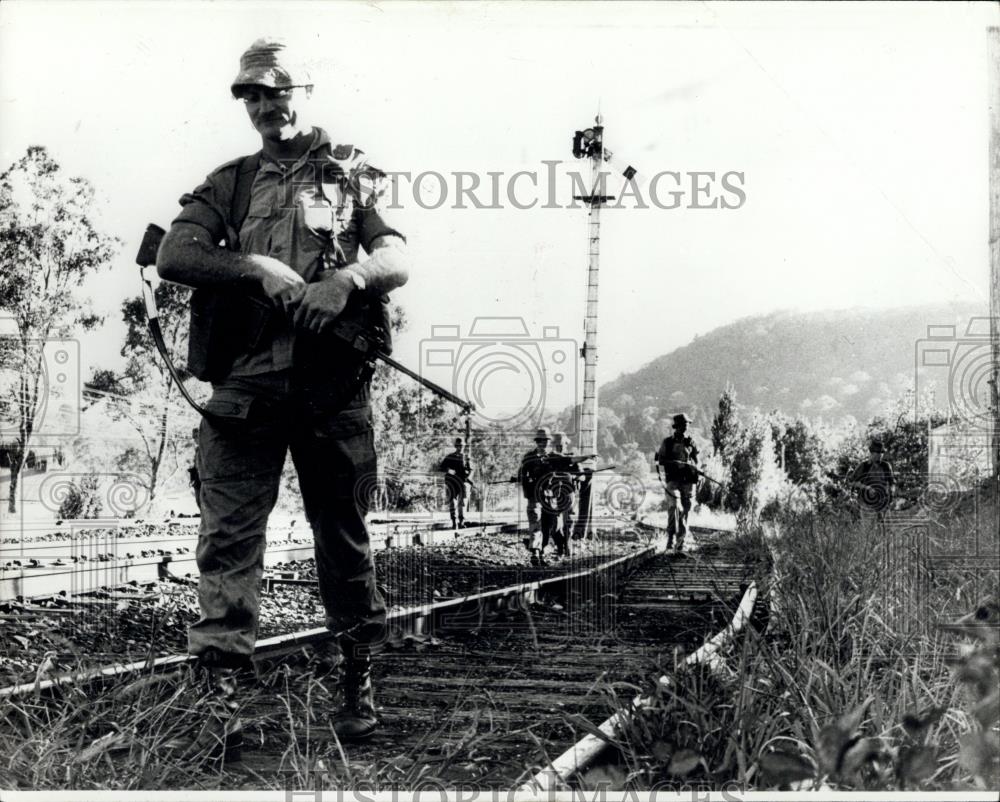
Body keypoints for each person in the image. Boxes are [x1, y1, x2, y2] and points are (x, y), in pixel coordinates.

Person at [157, 37, 409, 753]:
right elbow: (178, 253)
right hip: (244, 394)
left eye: (276, 90)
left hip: (332, 391)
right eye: (251, 95)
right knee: (227, 546)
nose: (265, 105)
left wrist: (346, 282)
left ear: (306, 90)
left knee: (345, 542)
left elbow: (398, 253)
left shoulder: (351, 174)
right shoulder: (228, 183)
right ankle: (225, 703)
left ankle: (356, 682)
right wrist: (253, 268)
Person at [655, 413, 700, 551]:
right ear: (678, 426)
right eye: (684, 425)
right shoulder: (667, 443)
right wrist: (674, 463)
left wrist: (697, 470)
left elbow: (697, 460)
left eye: (687, 425)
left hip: (688, 482)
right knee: (675, 506)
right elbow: (660, 460)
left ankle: (680, 543)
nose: (686, 427)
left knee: (685, 511)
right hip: (673, 481)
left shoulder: (690, 442)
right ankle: (670, 538)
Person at [519, 428, 553, 566]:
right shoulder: (529, 458)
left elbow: (566, 465)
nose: (542, 443)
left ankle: (542, 552)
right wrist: (529, 485)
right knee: (535, 524)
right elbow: (522, 475)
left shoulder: (553, 457)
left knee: (548, 526)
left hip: (549, 497)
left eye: (545, 441)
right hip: (534, 497)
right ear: (537, 442)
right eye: (540, 440)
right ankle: (535, 553)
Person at [848, 439, 895, 529]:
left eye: (882, 452)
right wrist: (867, 488)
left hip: (883, 502)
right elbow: (852, 482)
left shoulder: (886, 466)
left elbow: (892, 482)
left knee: (884, 531)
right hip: (866, 503)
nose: (880, 455)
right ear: (872, 453)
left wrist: (891, 491)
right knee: (868, 531)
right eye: (878, 452)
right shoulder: (864, 466)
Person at [440, 437, 473, 529]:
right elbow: (441, 467)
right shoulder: (450, 457)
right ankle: (454, 522)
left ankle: (461, 522)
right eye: (458, 446)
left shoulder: (466, 458)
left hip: (462, 482)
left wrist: (468, 476)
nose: (460, 447)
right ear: (455, 446)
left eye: (462, 446)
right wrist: (449, 470)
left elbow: (470, 470)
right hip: (451, 482)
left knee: (462, 503)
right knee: (452, 502)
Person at [188, 426, 202, 513]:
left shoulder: (208, 449)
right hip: (198, 479)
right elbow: (196, 466)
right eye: (194, 437)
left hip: (206, 479)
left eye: (197, 436)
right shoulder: (197, 450)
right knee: (198, 501)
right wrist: (192, 478)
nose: (195, 439)